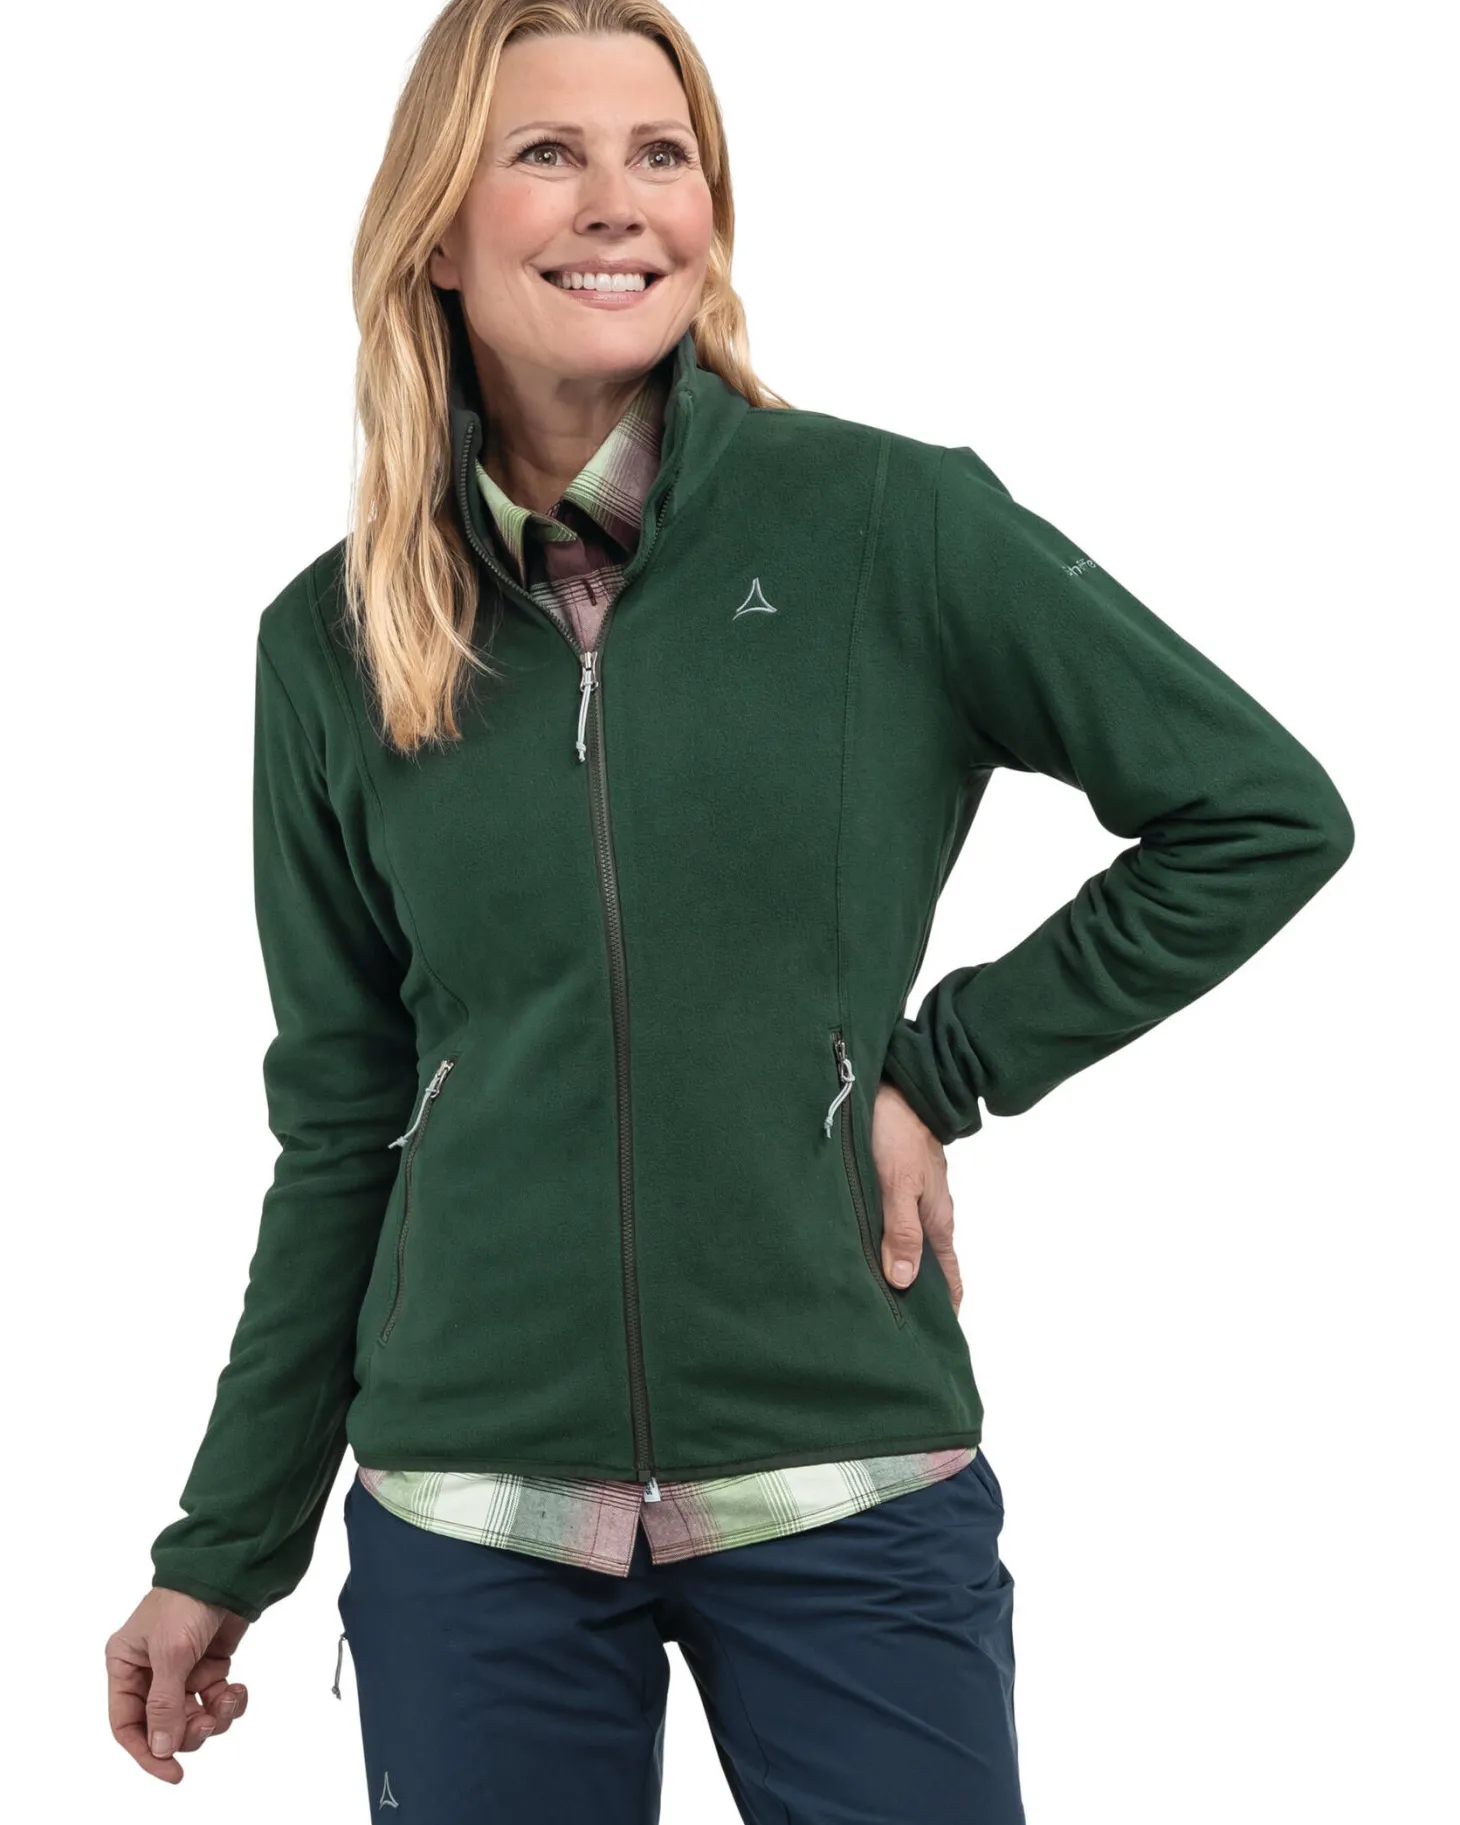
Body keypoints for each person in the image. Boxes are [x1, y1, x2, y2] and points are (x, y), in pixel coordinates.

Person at [104, 2, 1355, 1817]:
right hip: (472, 1519)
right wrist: (228, 1541)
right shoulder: (336, 638)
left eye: (661, 155)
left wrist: (945, 1066)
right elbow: (343, 1119)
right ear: (436, 232)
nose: (618, 203)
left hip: (845, 1478)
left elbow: (1258, 812)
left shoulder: (886, 524)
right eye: (549, 154)